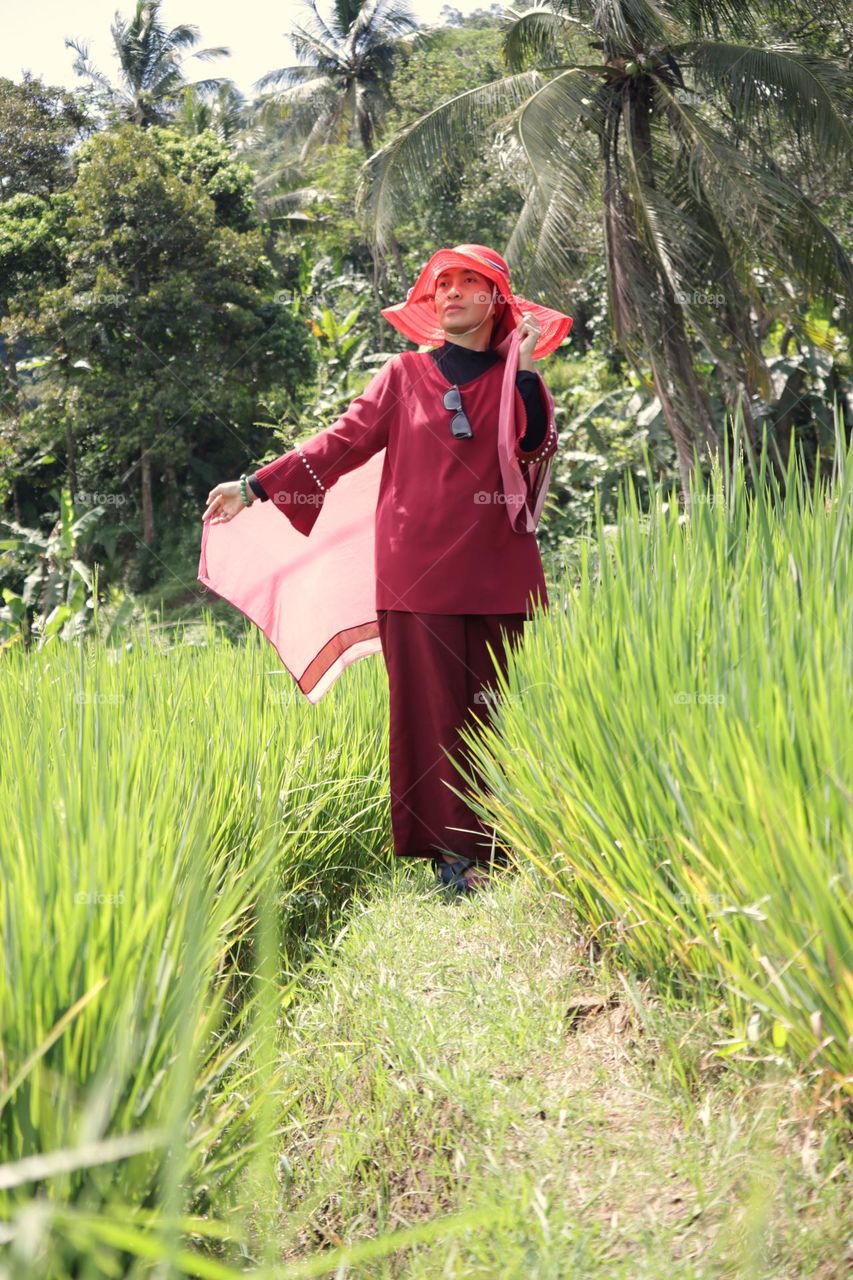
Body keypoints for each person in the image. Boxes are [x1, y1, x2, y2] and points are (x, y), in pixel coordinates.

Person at [201, 244, 572, 893]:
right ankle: (454, 860)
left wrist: (521, 369)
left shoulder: (522, 380)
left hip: (498, 574)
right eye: (441, 284)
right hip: (415, 576)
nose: (451, 293)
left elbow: (534, 446)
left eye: (467, 283)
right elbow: (341, 442)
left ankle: (500, 840)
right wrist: (255, 486)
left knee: (496, 709)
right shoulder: (402, 377)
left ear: (496, 300)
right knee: (428, 717)